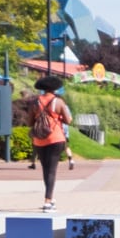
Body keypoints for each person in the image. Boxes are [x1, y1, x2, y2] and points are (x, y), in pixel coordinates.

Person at [29, 75, 73, 212]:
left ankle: (50, 197)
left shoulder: (35, 102)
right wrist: (58, 117)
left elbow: (30, 122)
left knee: (46, 169)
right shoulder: (58, 102)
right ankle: (47, 202)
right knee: (52, 170)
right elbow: (68, 120)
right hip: (55, 138)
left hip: (39, 139)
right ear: (55, 88)